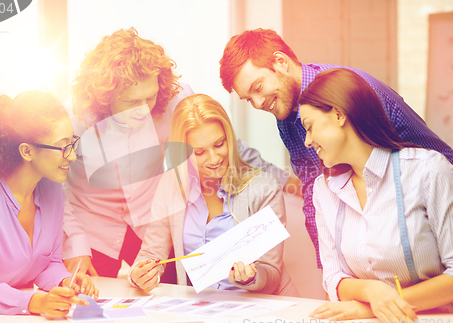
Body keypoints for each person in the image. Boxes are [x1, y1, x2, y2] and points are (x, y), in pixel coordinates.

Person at [63, 28, 290, 279]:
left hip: (151, 220)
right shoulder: (74, 120)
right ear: (105, 97)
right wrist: (74, 242)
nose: (143, 110)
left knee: (167, 290)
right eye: (131, 102)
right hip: (94, 225)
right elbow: (50, 188)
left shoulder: (175, 98)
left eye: (149, 98)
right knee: (90, 302)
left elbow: (222, 141)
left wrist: (282, 178)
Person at [219, 28, 453, 268]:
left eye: (257, 88)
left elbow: (438, 164)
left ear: (281, 62)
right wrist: (330, 273)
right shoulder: (286, 112)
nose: (257, 104)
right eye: (248, 99)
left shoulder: (350, 90)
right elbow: (313, 188)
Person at [298, 69, 453, 323]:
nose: (307, 141)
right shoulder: (323, 190)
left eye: (310, 127)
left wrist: (373, 306)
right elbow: (334, 277)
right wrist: (371, 292)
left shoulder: (427, 170)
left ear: (338, 114)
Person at [129, 94, 298, 296]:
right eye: (199, 152)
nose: (214, 158)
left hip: (262, 309)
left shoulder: (265, 188)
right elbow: (151, 253)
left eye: (219, 144)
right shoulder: (171, 185)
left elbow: (271, 273)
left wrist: (251, 277)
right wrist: (140, 274)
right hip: (203, 309)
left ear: (230, 139)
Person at [0, 91, 98, 316]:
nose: (71, 156)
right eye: (63, 147)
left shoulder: (53, 192)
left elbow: (48, 264)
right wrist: (35, 302)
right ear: (27, 151)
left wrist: (66, 283)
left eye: (73, 143)